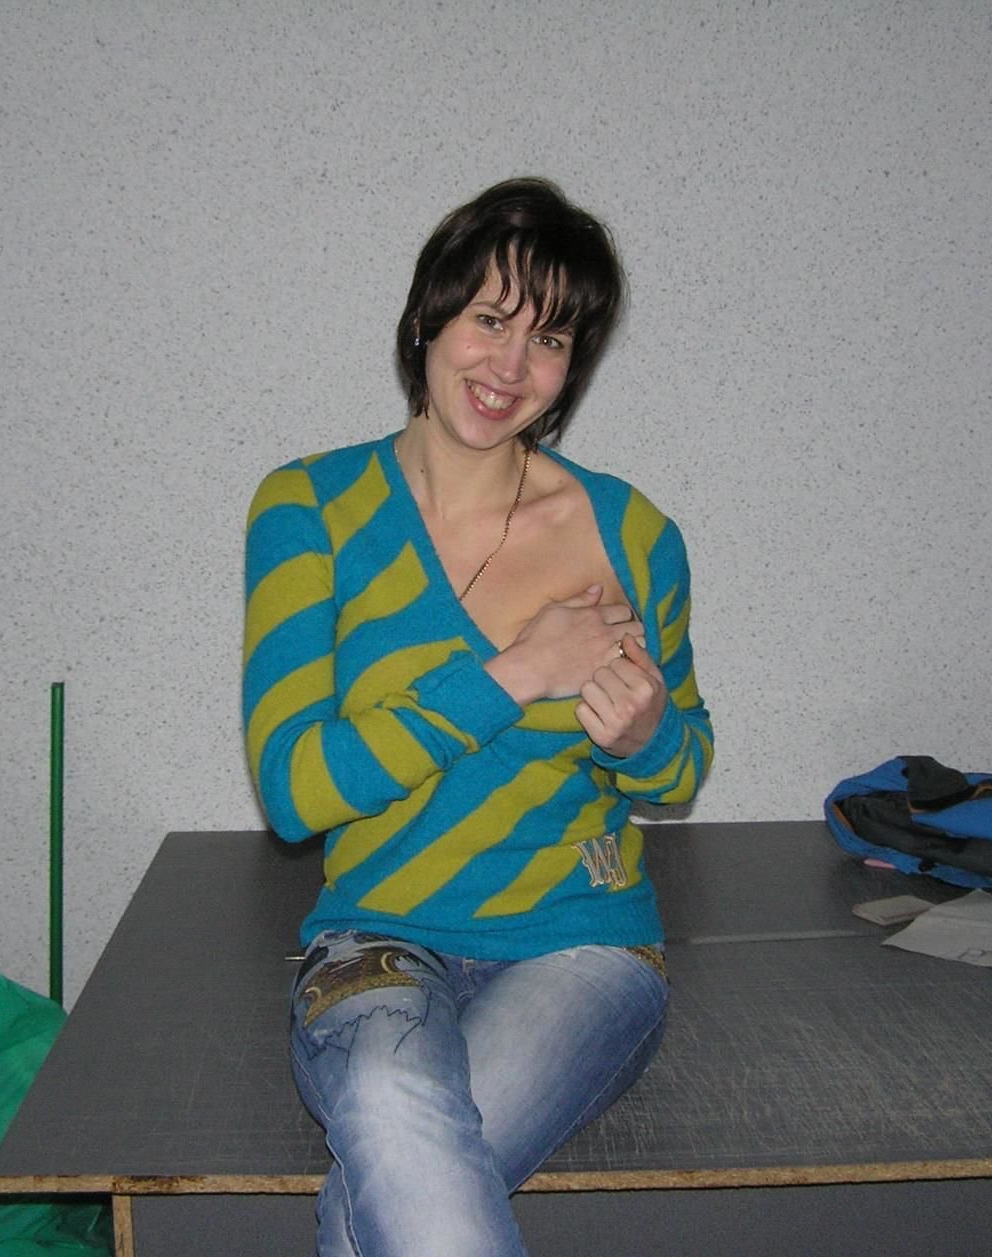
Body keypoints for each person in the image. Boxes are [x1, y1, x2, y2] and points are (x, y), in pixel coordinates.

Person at [241, 177, 713, 1256]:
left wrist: (645, 736)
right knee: (396, 1113)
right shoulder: (309, 507)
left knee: (390, 1184)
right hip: (379, 934)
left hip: (584, 946)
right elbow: (295, 789)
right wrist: (520, 672)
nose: (510, 365)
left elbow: (683, 766)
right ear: (429, 316)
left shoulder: (635, 534)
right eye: (491, 319)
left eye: (549, 339)